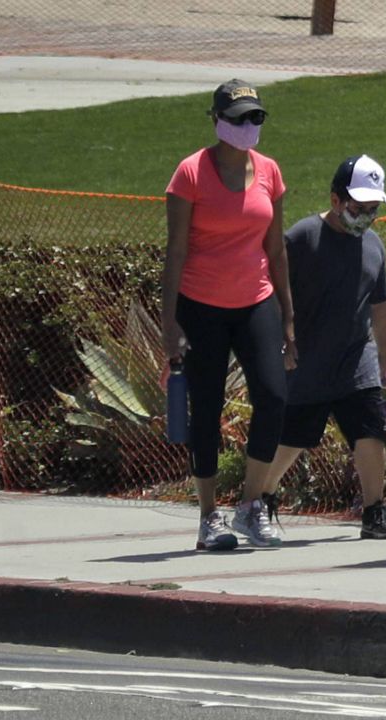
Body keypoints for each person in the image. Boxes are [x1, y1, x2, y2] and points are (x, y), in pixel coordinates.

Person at [162, 79, 295, 551]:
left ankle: (252, 504)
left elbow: (276, 249)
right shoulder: (190, 174)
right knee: (207, 409)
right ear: (217, 121)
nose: (249, 126)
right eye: (240, 118)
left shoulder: (269, 172)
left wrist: (288, 319)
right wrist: (169, 321)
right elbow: (175, 252)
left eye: (256, 117)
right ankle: (207, 516)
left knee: (275, 397)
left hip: (256, 300)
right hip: (201, 305)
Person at [265, 155, 386, 540]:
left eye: (373, 209)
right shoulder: (303, 237)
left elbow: (380, 306)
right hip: (306, 362)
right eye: (359, 208)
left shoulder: (373, 245)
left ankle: (374, 511)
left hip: (356, 361)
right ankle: (262, 493)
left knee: (370, 432)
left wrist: (384, 360)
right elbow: (273, 292)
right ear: (336, 200)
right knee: (294, 438)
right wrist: (280, 341)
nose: (366, 216)